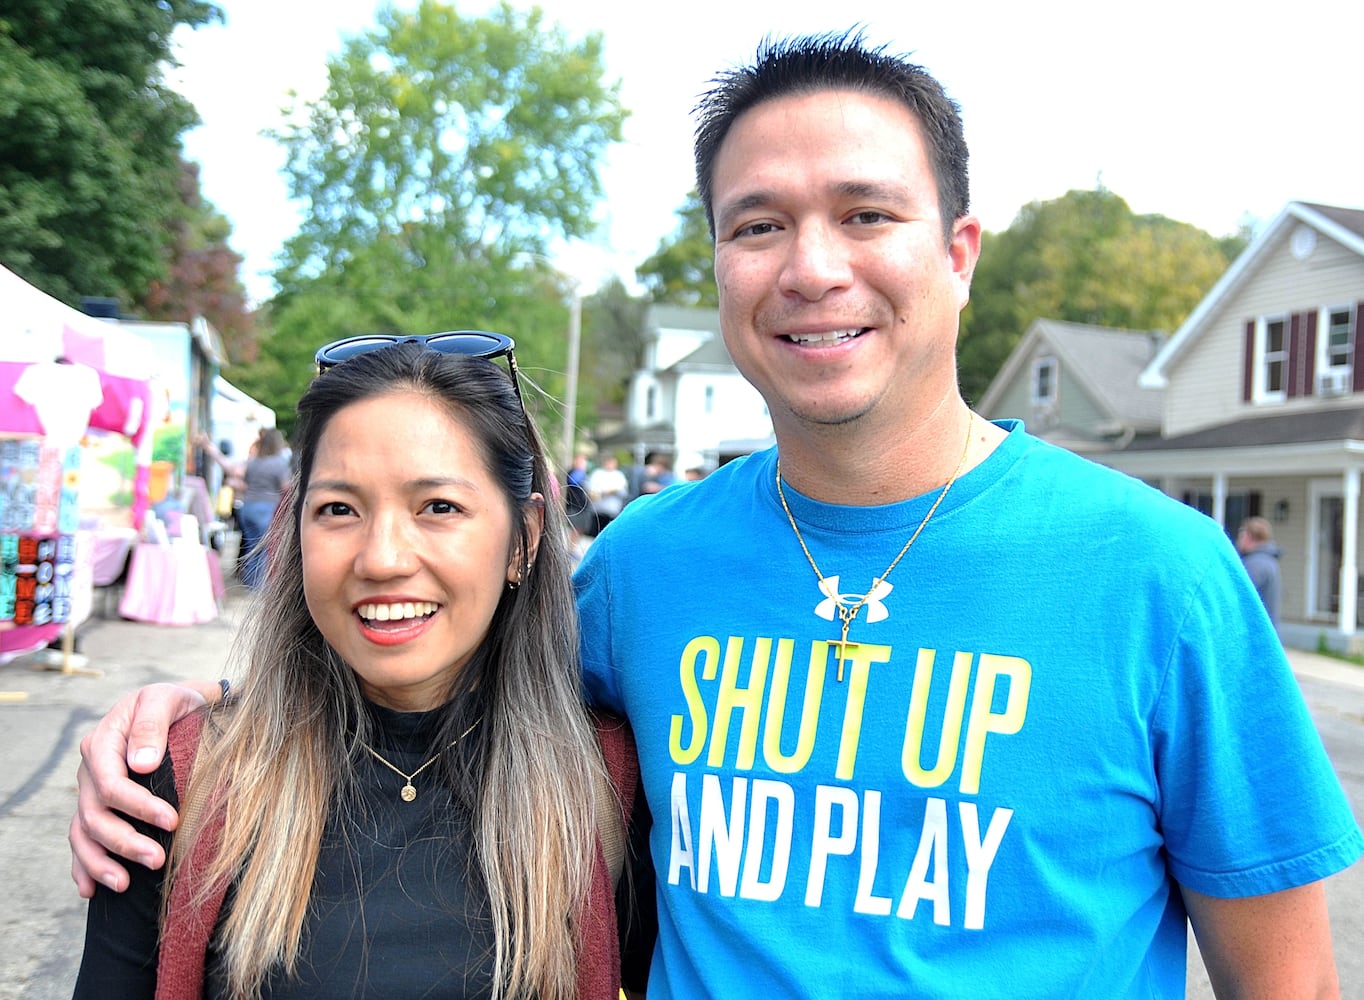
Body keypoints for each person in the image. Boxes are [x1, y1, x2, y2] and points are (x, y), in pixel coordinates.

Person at [69, 30, 1361, 1000]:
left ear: (959, 253)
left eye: (866, 214)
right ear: (720, 265)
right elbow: (429, 686)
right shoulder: (644, 571)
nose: (812, 266)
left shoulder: (1160, 577)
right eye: (760, 225)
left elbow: (1285, 979)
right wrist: (175, 734)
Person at [74, 337, 639, 998]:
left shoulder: (614, 787)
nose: (382, 559)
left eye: (438, 507)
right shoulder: (175, 782)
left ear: (525, 539)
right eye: (339, 509)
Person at [198, 427, 290, 589]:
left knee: (251, 546)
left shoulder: (253, 462)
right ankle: (259, 586)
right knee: (264, 549)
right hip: (266, 508)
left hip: (247, 508)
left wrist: (209, 447)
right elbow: (285, 485)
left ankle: (249, 582)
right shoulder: (280, 463)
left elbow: (231, 469)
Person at [1237, 515, 1282, 627]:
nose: (1239, 540)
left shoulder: (1256, 564)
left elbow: (1239, 598)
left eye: (1242, 535)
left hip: (1255, 632)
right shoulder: (1269, 561)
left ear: (1249, 537)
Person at [583, 454, 629, 534]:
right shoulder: (597, 474)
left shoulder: (619, 476)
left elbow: (624, 492)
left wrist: (614, 490)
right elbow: (590, 487)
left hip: (612, 510)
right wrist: (602, 491)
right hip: (598, 510)